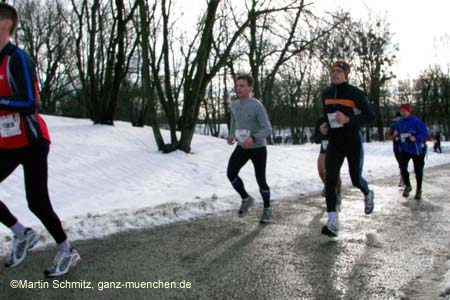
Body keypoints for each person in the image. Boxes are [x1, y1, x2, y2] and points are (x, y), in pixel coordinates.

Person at [0, 3, 80, 276]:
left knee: (37, 202)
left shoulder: (18, 58)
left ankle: (67, 250)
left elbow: (30, 103)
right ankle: (22, 233)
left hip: (32, 140)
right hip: (6, 143)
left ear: (6, 25)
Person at [319, 60, 375, 237]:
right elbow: (325, 116)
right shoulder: (326, 93)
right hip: (335, 142)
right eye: (333, 71)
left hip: (352, 141)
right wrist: (323, 126)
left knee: (355, 179)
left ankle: (367, 192)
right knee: (330, 179)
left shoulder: (355, 93)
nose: (335, 74)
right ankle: (332, 221)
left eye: (339, 71)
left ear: (346, 74)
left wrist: (349, 120)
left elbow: (370, 116)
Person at [227, 74, 272, 223]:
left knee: (261, 180)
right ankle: (246, 198)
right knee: (231, 173)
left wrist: (253, 138)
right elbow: (234, 121)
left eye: (242, 85)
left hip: (258, 147)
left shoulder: (256, 105)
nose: (238, 88)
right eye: (237, 85)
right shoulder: (233, 105)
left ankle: (267, 208)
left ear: (250, 88)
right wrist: (231, 134)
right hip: (242, 147)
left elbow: (267, 129)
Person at [393, 104, 429, 200]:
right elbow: (395, 129)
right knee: (402, 166)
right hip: (405, 149)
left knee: (418, 170)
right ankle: (408, 185)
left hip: (417, 149)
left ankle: (419, 189)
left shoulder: (416, 121)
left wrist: (416, 138)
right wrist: (395, 134)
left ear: (409, 111)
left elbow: (425, 134)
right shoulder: (400, 122)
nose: (402, 113)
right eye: (401, 111)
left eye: (404, 111)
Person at [314, 116, 342, 209]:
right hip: (324, 148)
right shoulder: (321, 120)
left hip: (336, 147)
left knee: (334, 173)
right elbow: (316, 139)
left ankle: (338, 193)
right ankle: (328, 186)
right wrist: (321, 132)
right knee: (321, 170)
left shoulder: (338, 117)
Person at [386, 112, 403, 186]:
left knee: (403, 163)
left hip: (404, 147)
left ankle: (403, 179)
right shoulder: (393, 126)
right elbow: (388, 137)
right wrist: (394, 135)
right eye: (397, 118)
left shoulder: (405, 125)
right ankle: (403, 177)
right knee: (400, 163)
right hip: (396, 147)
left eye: (400, 118)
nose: (398, 119)